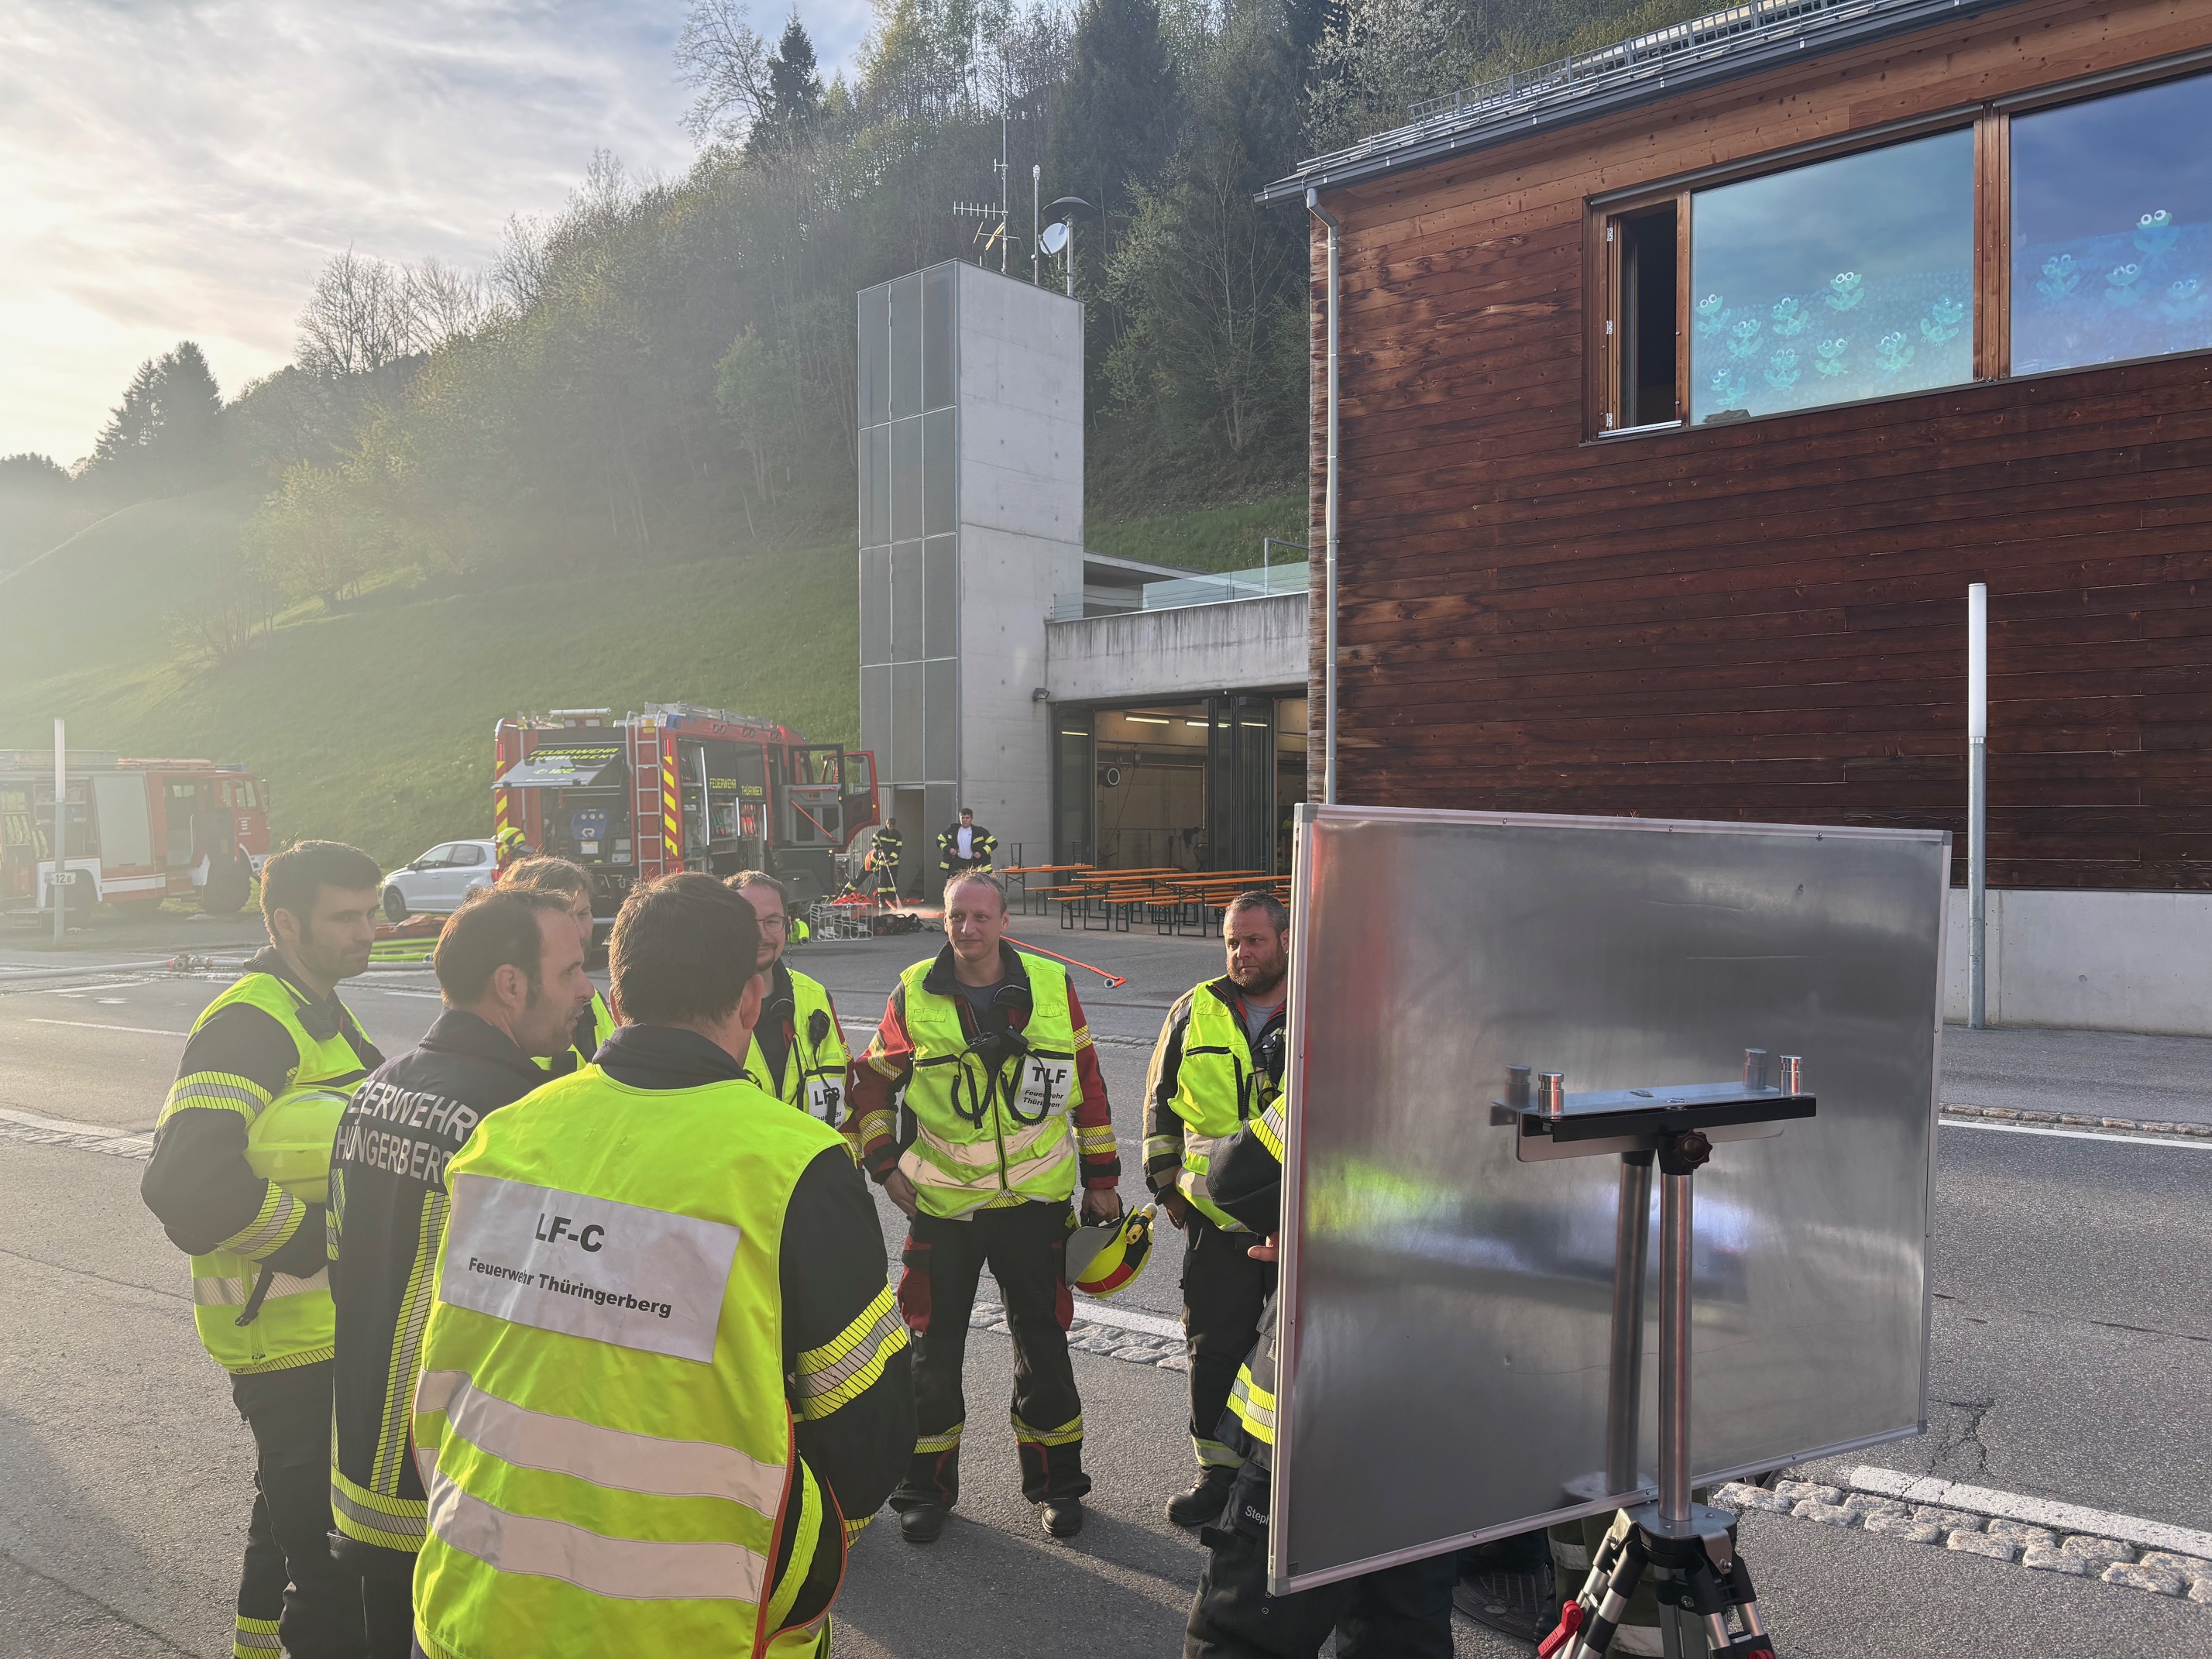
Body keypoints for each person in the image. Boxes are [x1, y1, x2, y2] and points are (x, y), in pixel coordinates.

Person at [406, 872, 912, 1657]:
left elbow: (448, 1372)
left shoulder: (503, 1136)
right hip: (688, 1630)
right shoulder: (794, 1167)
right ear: (751, 1000)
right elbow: (868, 1440)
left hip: (472, 1608)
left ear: (615, 1002)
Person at [326, 886, 592, 1657]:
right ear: (510, 985)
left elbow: (344, 1256)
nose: (587, 990)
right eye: (572, 970)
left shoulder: (377, 1086)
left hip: (364, 1454)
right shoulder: (521, 1120)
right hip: (457, 1478)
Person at [141, 840, 386, 1659]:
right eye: (345, 918)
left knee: (284, 1529)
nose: (369, 931)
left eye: (372, 911)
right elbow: (186, 1183)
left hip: (321, 1338)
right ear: (285, 924)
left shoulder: (319, 1009)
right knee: (327, 1572)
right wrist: (321, 1244)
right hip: (288, 1344)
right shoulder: (252, 1023)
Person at [847, 871, 1120, 1543]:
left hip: (1036, 1205)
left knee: (1044, 1347)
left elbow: (1087, 1086)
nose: (966, 928)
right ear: (943, 921)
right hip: (945, 1210)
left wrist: (1102, 1178)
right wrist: (885, 1166)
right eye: (955, 917)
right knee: (931, 1356)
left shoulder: (1052, 986)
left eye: (979, 916)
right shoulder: (914, 991)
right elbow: (870, 1085)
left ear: (1004, 921)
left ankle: (1058, 1486)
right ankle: (923, 1492)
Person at [1180, 1088, 1457, 1659]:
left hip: (1317, 1418)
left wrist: (1312, 1221)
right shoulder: (1532, 1070)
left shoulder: (1347, 1062)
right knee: (1402, 1631)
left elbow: (1234, 1175)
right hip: (1438, 1423)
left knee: (1244, 1634)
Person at [1145, 891, 1290, 1527]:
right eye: (1232, 942)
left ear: (1285, 940)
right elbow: (1159, 1104)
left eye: (1254, 940)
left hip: (1298, 1228)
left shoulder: (1319, 1008)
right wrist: (1168, 1187)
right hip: (1213, 1225)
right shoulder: (1192, 1009)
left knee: (1293, 1358)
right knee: (1212, 1350)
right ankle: (1216, 1477)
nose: (1241, 953)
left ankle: (1281, 1485)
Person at [726, 871, 851, 1131]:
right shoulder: (702, 1006)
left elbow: (847, 1091)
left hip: (813, 1155)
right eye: (746, 922)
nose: (761, 935)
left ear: (787, 925)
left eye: (772, 921)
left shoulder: (815, 996)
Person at [497, 855, 613, 1071]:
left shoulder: (592, 996)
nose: (579, 932)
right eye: (565, 917)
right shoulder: (505, 1009)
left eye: (583, 914)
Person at [936, 806, 998, 878]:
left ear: (972, 819)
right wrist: (949, 849)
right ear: (960, 818)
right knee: (954, 883)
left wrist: (981, 852)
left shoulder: (979, 831)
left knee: (975, 884)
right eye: (963, 818)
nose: (965, 820)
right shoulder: (952, 830)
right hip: (957, 863)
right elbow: (939, 841)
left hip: (974, 863)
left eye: (967, 818)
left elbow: (993, 843)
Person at [867, 822, 905, 900]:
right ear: (887, 824)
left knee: (892, 882)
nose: (891, 827)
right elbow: (873, 840)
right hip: (883, 863)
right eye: (889, 825)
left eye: (892, 826)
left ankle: (891, 899)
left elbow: (898, 849)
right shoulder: (881, 833)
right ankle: (882, 900)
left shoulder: (898, 835)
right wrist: (878, 848)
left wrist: (891, 859)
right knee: (883, 881)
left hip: (893, 863)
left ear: (895, 826)